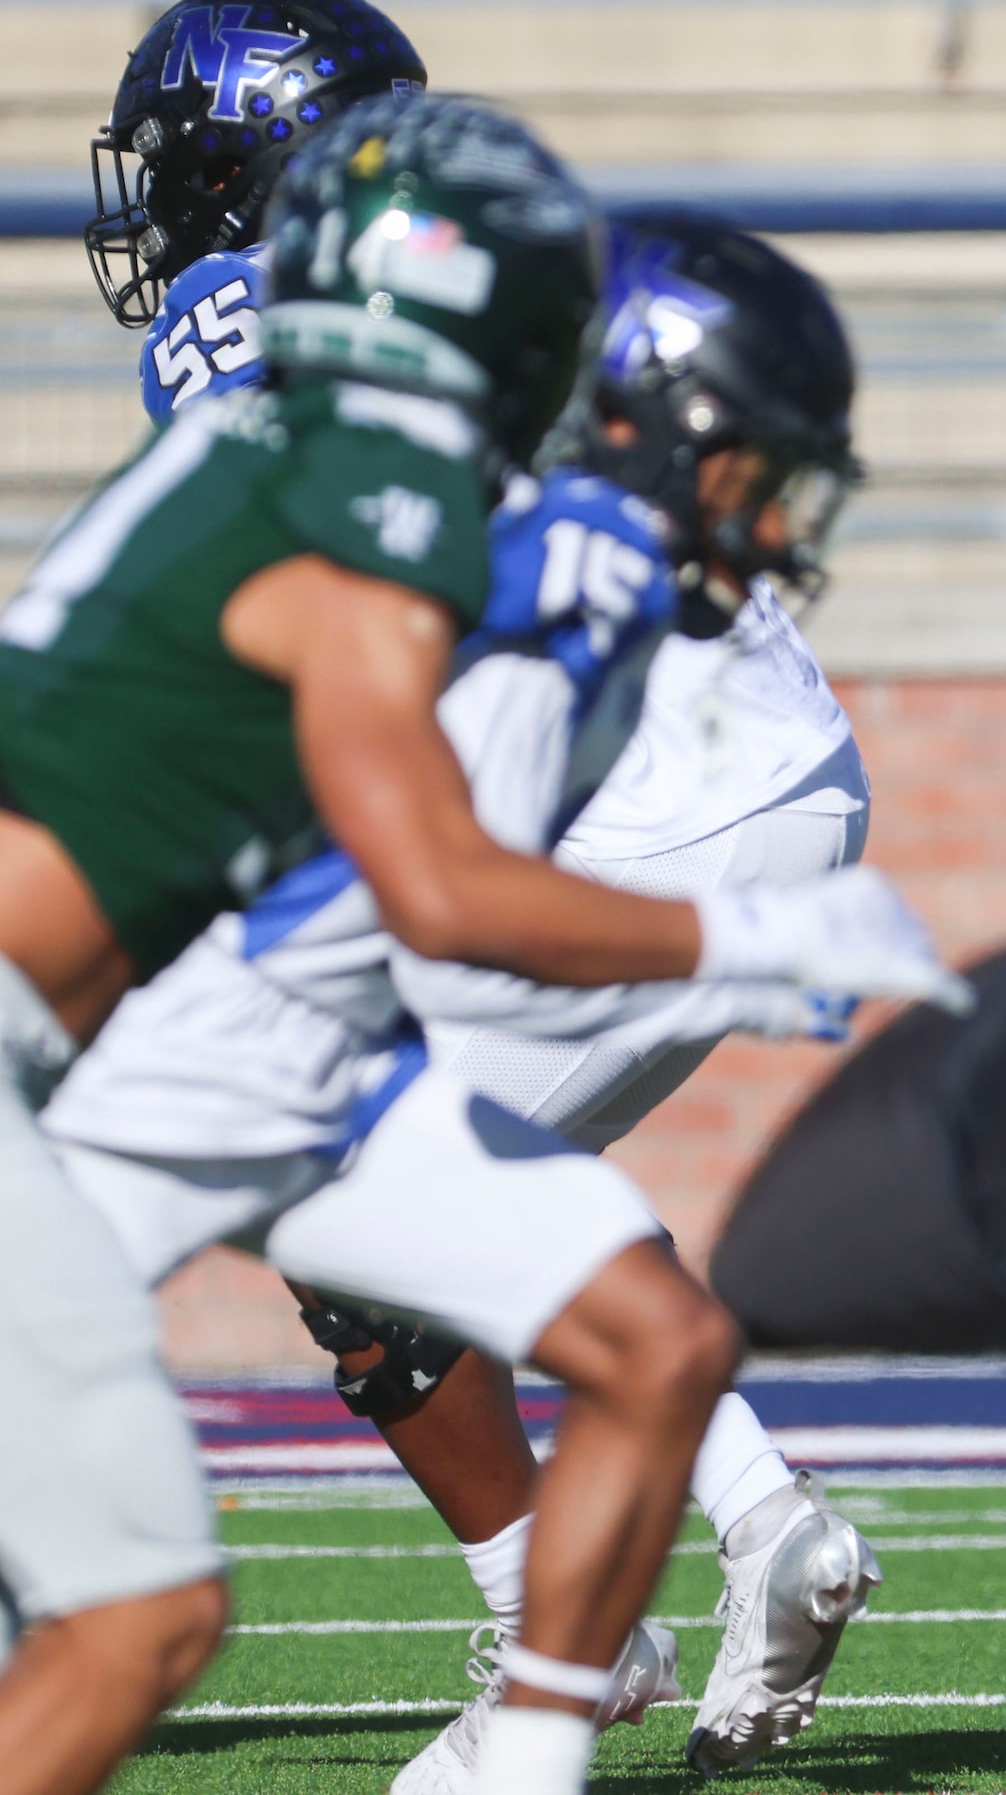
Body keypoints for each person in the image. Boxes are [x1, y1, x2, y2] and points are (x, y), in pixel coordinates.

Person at [0, 92, 950, 1795]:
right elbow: (441, 881)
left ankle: (529, 1741)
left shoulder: (341, 458)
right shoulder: (389, 491)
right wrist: (752, 930)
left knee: (659, 1344)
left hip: (189, 1031)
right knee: (134, 1619)